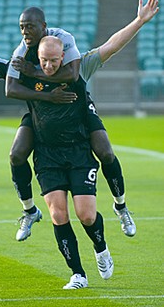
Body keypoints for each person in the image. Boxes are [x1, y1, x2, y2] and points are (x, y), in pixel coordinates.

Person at [0, 0, 159, 236]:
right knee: (16, 154)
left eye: (30, 27)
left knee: (105, 150)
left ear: (59, 51)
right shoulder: (22, 64)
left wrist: (139, 21)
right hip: (41, 118)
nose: (25, 32)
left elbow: (111, 46)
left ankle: (121, 206)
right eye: (22, 28)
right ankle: (29, 211)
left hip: (78, 115)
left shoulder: (76, 64)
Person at [18, 35, 113, 289]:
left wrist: (140, 22)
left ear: (63, 57)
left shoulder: (79, 69)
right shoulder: (29, 74)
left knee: (86, 215)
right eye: (43, 61)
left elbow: (110, 46)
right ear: (37, 58)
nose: (48, 66)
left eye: (53, 60)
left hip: (78, 152)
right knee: (58, 214)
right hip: (48, 155)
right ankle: (78, 274)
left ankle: (101, 248)